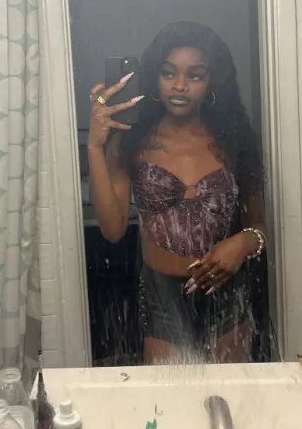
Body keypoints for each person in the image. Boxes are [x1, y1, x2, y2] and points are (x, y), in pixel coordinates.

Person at [87, 21, 266, 364]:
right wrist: (95, 147)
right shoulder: (133, 142)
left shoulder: (236, 142)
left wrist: (242, 243)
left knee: (229, 392)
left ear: (212, 81)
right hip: (161, 295)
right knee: (167, 394)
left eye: (195, 75)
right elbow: (112, 230)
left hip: (226, 289)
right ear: (155, 77)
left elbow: (260, 226)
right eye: (169, 73)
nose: (180, 85)